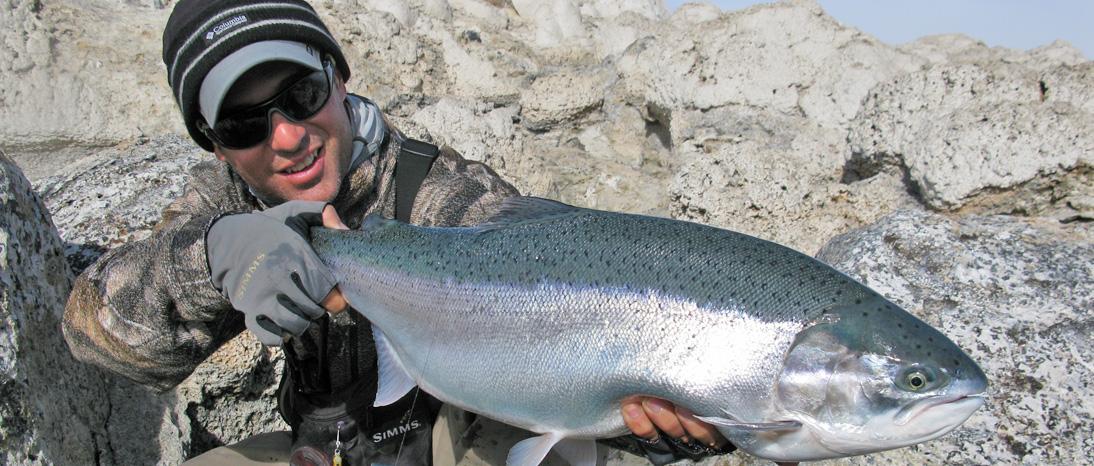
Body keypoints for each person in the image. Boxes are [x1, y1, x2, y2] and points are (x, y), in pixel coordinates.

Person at [60, 0, 742, 464]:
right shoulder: (222, 204)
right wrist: (214, 259)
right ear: (214, 145)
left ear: (339, 77)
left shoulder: (435, 191)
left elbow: (531, 274)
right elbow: (98, 337)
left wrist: (681, 416)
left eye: (301, 96)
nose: (289, 137)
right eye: (245, 124)